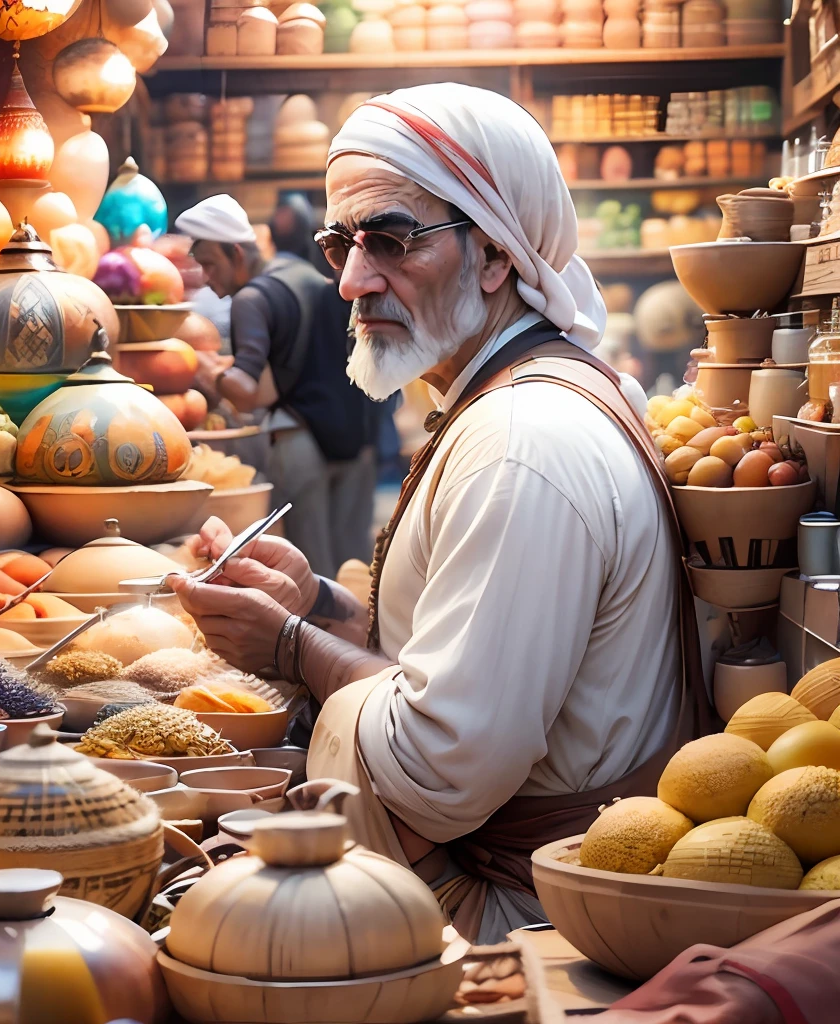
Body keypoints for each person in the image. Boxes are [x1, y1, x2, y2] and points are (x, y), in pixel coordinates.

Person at [167, 84, 712, 944]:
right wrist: (319, 603)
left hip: (518, 918)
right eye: (342, 242)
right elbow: (461, 644)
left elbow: (435, 770)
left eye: (391, 240)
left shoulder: (519, 440)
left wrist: (289, 648)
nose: (352, 279)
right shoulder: (514, 396)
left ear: (495, 256)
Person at [175, 194, 378, 576]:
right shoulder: (298, 271)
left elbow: (247, 390)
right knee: (355, 566)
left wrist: (205, 368)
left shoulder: (250, 299)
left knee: (312, 571)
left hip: (299, 441)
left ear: (236, 253)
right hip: (352, 435)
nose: (205, 277)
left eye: (210, 264)